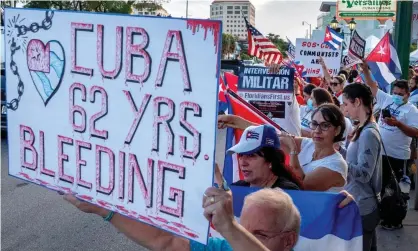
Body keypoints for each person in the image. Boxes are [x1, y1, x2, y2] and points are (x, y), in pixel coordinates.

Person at [62, 187, 301, 251]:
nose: (241, 240)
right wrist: (104, 210)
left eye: (256, 235)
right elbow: (165, 241)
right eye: (243, 230)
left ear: (288, 240)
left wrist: (231, 228)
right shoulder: (224, 247)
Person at [219, 105, 348, 192]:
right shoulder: (308, 144)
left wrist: (293, 151)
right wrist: (235, 120)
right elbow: (269, 136)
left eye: (325, 126)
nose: (317, 131)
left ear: (337, 130)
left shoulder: (336, 165)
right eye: (314, 124)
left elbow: (300, 188)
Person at [362, 61, 418, 229]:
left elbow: (415, 132)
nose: (396, 96)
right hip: (381, 154)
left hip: (399, 156)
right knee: (382, 187)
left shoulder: (412, 111)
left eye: (400, 94)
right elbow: (371, 85)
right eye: (394, 92)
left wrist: (398, 124)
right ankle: (384, 215)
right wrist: (365, 69)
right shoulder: (386, 100)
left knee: (397, 190)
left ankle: (395, 220)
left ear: (407, 94)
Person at [342, 84, 382, 251]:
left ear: (357, 102)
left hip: (363, 206)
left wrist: (340, 159)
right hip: (360, 203)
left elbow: (364, 174)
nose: (344, 108)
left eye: (346, 104)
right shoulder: (363, 128)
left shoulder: (368, 133)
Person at [222, 123, 301, 190]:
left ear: (270, 161)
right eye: (241, 155)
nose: (243, 163)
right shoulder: (236, 188)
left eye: (251, 155)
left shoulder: (288, 191)